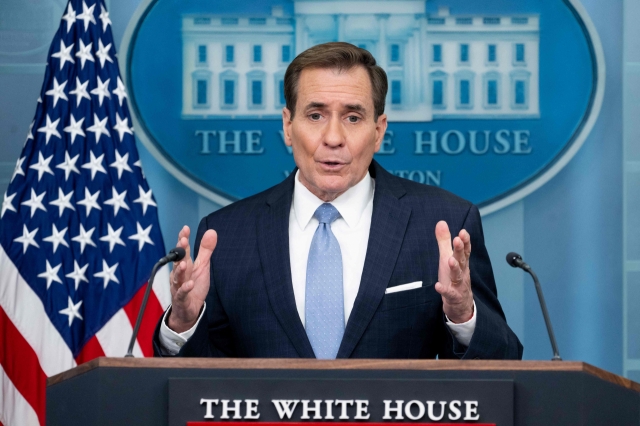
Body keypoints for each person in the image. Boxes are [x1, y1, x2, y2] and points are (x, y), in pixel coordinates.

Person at [154, 42, 522, 359]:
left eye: (352, 117)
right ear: (287, 125)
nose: (333, 137)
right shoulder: (224, 236)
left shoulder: (443, 224)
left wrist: (461, 313)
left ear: (378, 131)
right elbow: (197, 389)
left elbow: (502, 364)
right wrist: (184, 322)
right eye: (315, 115)